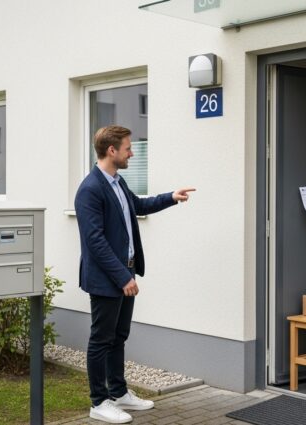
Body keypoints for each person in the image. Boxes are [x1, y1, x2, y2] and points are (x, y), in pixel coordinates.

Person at [75, 125, 195, 423]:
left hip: (124, 272)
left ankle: (118, 392)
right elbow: (95, 242)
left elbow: (138, 205)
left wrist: (171, 196)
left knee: (119, 336)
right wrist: (123, 277)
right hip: (107, 278)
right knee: (101, 339)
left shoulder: (118, 182)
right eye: (128, 148)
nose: (132, 152)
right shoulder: (90, 189)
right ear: (111, 150)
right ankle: (98, 402)